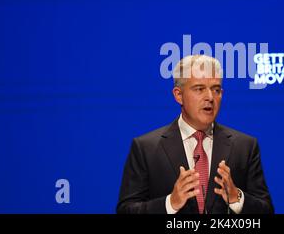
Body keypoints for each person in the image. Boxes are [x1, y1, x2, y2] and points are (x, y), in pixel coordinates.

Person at [116, 55, 273, 214]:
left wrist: (237, 198)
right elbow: (126, 211)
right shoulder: (146, 148)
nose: (210, 97)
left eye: (216, 90)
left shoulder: (244, 146)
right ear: (178, 95)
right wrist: (170, 203)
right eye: (199, 89)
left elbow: (266, 210)